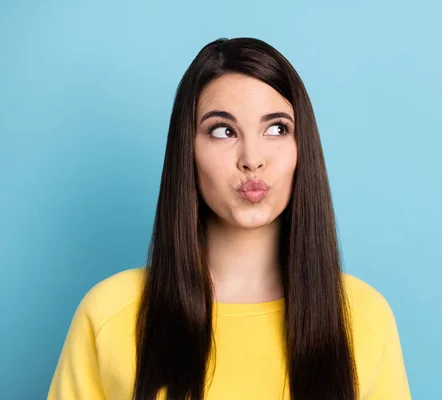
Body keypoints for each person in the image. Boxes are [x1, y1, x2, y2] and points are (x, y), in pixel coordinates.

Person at [47, 37, 412, 400]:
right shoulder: (111, 313)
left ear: (304, 148)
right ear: (187, 150)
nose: (252, 158)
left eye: (277, 128)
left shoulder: (364, 317)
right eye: (223, 131)